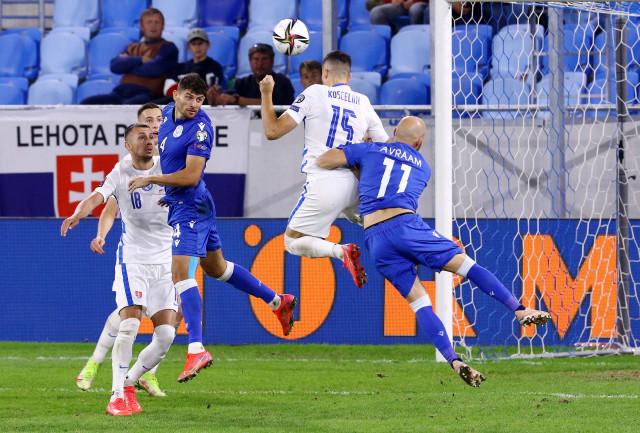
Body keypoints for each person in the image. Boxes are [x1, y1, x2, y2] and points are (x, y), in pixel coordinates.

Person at [316, 116, 552, 387]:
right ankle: (518, 309)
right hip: (406, 226)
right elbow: (393, 183)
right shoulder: (423, 167)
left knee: (420, 303)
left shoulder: (369, 150)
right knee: (467, 266)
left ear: (394, 131)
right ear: (419, 143)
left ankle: (453, 360)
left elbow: (325, 161)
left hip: (376, 239)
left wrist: (355, 154)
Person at [128, 74, 297, 382]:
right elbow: (162, 143)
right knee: (217, 268)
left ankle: (196, 348)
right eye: (189, 97)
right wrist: (169, 190)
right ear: (176, 95)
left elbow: (191, 176)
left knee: (180, 273)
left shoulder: (201, 129)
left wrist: (152, 179)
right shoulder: (166, 114)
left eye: (200, 99)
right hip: (187, 202)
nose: (194, 104)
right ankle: (277, 301)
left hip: (191, 205)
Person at [61, 124, 178, 415]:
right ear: (127, 145)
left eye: (152, 136)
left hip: (166, 262)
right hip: (133, 260)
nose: (149, 141)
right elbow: (97, 198)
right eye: (142, 137)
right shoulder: (121, 172)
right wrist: (78, 213)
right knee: (129, 325)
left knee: (166, 336)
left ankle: (130, 382)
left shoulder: (168, 167)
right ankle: (116, 397)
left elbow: (192, 182)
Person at [259, 50, 389, 288]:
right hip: (358, 183)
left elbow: (272, 131)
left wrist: (266, 93)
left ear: (325, 73)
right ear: (349, 76)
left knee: (292, 242)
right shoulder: (363, 101)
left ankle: (341, 251)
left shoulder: (314, 92)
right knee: (374, 222)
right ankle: (404, 249)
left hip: (325, 182)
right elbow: (386, 148)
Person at [81, 8, 178, 105]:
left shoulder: (168, 47)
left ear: (163, 26)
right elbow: (115, 66)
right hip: (120, 92)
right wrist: (140, 60)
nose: (153, 25)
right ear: (141, 26)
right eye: (149, 22)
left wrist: (128, 66)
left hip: (146, 94)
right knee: (87, 103)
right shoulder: (132, 47)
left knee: (128, 106)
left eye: (157, 22)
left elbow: (155, 68)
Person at [208, 43, 294, 106]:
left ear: (272, 62)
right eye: (256, 59)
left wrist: (236, 100)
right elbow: (227, 97)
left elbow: (273, 104)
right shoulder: (242, 83)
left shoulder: (282, 82)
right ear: (250, 62)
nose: (260, 64)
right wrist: (215, 96)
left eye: (264, 59)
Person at [156, 28, 225, 105]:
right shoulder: (180, 68)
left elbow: (214, 91)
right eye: (193, 44)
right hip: (179, 103)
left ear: (208, 45)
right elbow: (169, 90)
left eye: (200, 43)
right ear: (189, 47)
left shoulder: (214, 67)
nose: (197, 47)